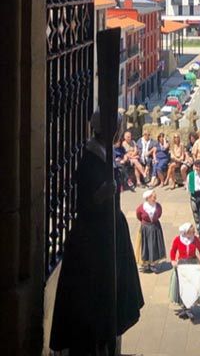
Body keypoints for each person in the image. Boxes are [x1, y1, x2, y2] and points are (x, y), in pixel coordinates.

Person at [50, 111, 144, 353]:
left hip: (106, 235)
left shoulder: (101, 154)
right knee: (93, 301)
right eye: (116, 125)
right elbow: (85, 202)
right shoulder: (92, 159)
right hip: (95, 242)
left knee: (107, 299)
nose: (118, 129)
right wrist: (101, 194)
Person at [169, 222, 200, 322]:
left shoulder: (195, 240)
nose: (194, 234)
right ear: (185, 233)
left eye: (194, 232)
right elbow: (173, 251)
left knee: (191, 286)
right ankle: (184, 307)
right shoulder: (178, 240)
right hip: (181, 265)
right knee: (182, 286)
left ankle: (188, 307)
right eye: (191, 232)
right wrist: (173, 260)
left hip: (193, 264)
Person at [135, 189, 166, 272]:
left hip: (155, 227)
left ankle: (153, 264)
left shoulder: (158, 206)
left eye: (154, 196)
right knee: (145, 245)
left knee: (154, 245)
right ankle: (146, 263)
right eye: (152, 196)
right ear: (147, 198)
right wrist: (145, 223)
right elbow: (138, 216)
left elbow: (159, 215)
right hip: (145, 228)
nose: (154, 198)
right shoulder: (141, 208)